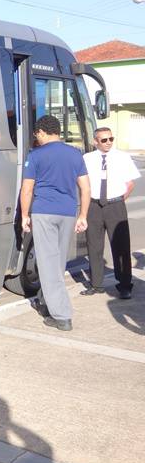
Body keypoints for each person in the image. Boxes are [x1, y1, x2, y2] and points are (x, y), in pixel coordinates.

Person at [20, 115, 90, 332]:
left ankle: (62, 316)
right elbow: (86, 188)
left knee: (48, 264)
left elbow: (27, 189)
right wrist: (83, 216)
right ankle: (47, 302)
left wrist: (24, 215)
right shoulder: (75, 154)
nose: (36, 139)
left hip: (44, 212)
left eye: (36, 135)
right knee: (58, 262)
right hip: (68, 213)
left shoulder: (36, 155)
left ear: (41, 132)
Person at [80, 127, 141, 299]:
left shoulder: (122, 157)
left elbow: (130, 184)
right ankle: (96, 284)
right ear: (95, 141)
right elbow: (82, 184)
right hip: (94, 206)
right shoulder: (87, 158)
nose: (108, 143)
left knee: (120, 247)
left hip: (115, 205)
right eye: (104, 140)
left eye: (111, 139)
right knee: (94, 246)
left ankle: (124, 285)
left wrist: (119, 199)